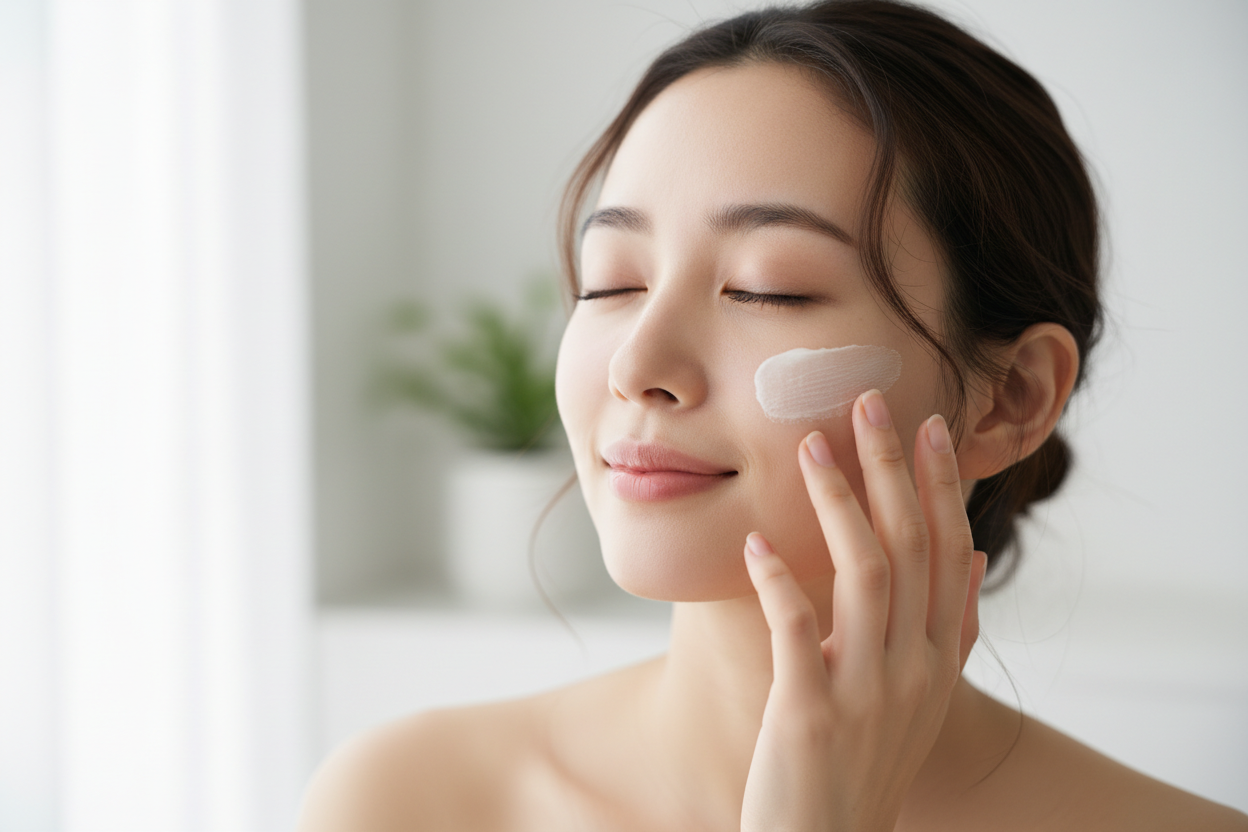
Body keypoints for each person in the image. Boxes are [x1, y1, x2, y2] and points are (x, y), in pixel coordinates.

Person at [297, 2, 1248, 829]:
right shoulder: (405, 802)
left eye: (767, 291)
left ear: (1011, 396)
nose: (637, 366)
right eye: (611, 282)